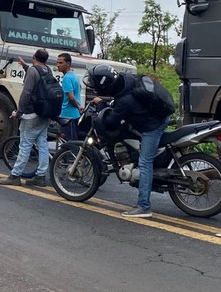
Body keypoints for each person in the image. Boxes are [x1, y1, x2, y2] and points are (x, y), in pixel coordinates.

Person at [86, 64, 171, 218]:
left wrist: (101, 105)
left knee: (145, 162)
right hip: (159, 116)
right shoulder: (127, 79)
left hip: (153, 126)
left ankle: (144, 206)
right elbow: (120, 102)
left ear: (105, 86)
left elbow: (111, 121)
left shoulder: (124, 101)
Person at [0, 48, 52, 187]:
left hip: (31, 114)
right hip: (44, 113)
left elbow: (26, 94)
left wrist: (19, 112)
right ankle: (40, 176)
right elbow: (36, 74)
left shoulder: (32, 72)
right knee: (43, 145)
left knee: (25, 146)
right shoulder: (48, 70)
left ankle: (15, 176)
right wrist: (24, 65)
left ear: (34, 57)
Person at [56, 52, 81, 141]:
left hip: (67, 115)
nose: (58, 65)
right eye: (57, 63)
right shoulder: (74, 75)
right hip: (74, 115)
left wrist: (78, 107)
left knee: (70, 143)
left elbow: (70, 97)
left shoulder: (67, 78)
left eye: (61, 63)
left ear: (68, 64)